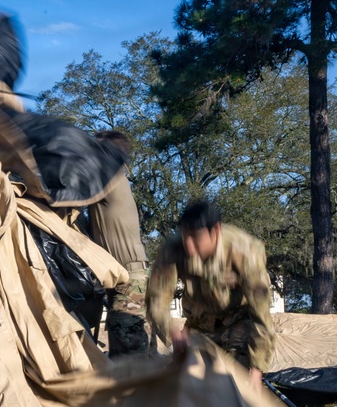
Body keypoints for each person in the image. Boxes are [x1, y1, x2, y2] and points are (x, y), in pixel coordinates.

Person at [146, 200, 275, 389]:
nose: (189, 247)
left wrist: (257, 368)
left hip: (237, 323)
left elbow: (261, 314)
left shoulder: (244, 251)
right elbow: (156, 300)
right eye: (185, 237)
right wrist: (172, 334)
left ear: (215, 231)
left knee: (236, 385)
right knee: (187, 383)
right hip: (199, 324)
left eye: (196, 238)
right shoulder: (172, 250)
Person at [88, 130, 151, 357]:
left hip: (128, 276)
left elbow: (64, 188)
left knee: (128, 351)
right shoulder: (106, 178)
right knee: (123, 345)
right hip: (120, 276)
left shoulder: (109, 176)